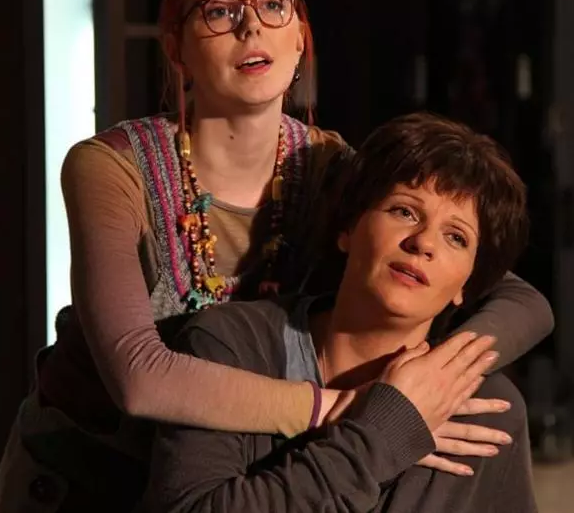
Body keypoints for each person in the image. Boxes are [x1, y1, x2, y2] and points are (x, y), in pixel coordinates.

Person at [0, 0, 551, 512]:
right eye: (219, 11)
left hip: (235, 462)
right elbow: (139, 377)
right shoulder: (113, 167)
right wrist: (370, 412)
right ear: (177, 48)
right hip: (87, 471)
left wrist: (437, 376)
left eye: (273, 4)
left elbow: (522, 301)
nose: (251, 28)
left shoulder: (327, 164)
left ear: (300, 35)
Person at [145, 113, 538, 513]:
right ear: (348, 229)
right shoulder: (231, 345)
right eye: (404, 211)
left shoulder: (489, 410)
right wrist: (382, 434)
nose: (423, 243)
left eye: (456, 237)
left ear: (467, 285)